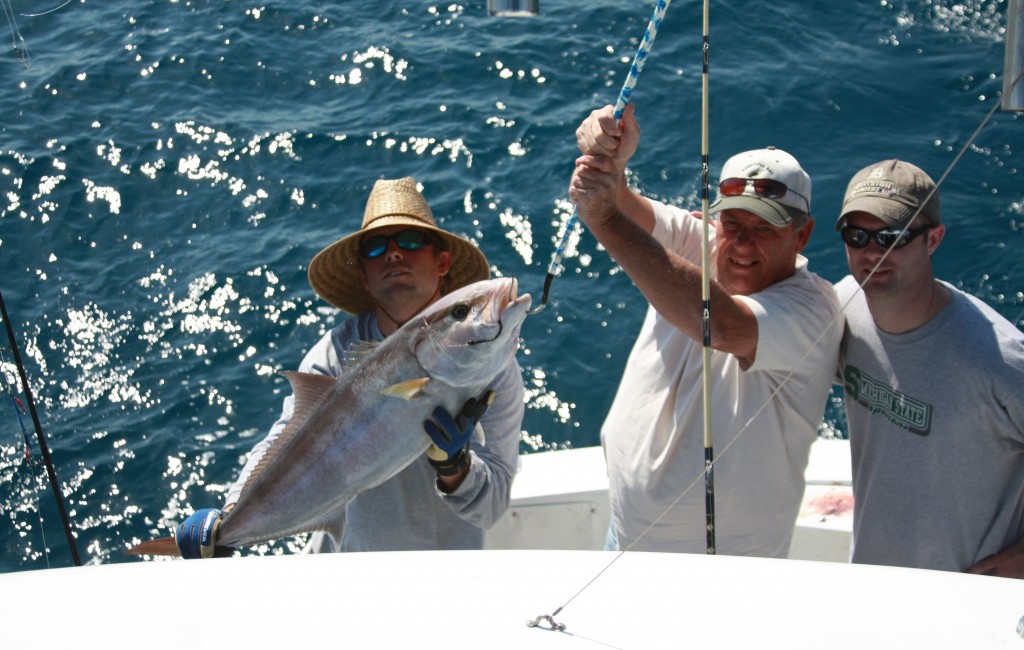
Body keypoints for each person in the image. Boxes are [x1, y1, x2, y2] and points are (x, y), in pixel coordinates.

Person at [175, 176, 525, 556]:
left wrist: (455, 466)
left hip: (442, 566)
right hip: (343, 566)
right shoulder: (333, 354)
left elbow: (491, 507)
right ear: (364, 277)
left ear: (441, 262)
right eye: (376, 248)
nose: (393, 254)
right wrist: (226, 517)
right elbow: (284, 439)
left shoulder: (497, 371)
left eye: (409, 241)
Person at [570, 104, 842, 556]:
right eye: (732, 222)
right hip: (624, 537)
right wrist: (609, 158)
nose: (740, 244)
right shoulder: (704, 241)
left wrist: (602, 219)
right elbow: (618, 200)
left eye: (765, 228)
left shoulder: (813, 309)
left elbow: (720, 324)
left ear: (802, 235)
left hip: (727, 570)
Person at [834, 159, 1024, 577]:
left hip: (969, 600)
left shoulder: (1000, 359)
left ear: (933, 240)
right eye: (857, 235)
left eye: (892, 237)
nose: (871, 252)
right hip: (870, 583)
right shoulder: (843, 305)